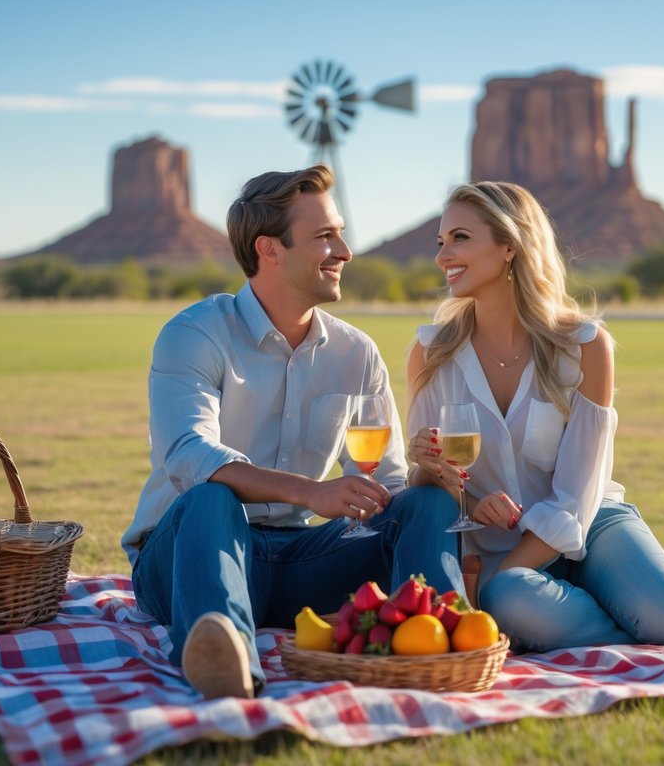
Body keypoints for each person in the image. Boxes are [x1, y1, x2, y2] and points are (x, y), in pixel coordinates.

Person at [122, 164, 458, 699]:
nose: (345, 250)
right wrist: (309, 490)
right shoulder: (193, 334)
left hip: (301, 558)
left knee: (427, 506)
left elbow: (387, 483)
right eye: (325, 236)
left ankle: (438, 644)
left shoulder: (357, 353)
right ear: (269, 250)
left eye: (340, 233)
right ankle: (223, 652)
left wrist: (427, 478)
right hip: (192, 554)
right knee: (212, 499)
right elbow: (189, 454)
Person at [405, 180, 664, 652]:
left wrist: (505, 574)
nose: (442, 255)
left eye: (460, 238)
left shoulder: (584, 347)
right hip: (497, 547)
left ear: (509, 247)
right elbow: (432, 482)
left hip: (592, 521)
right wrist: (434, 476)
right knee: (508, 597)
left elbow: (578, 496)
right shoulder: (431, 353)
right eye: (440, 241)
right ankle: (626, 620)